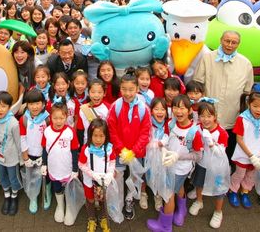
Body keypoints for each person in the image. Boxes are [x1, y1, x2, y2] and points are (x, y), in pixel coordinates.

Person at [193, 30, 254, 157]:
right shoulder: (208, 58)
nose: (230, 45)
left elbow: (247, 91)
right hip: (208, 116)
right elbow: (197, 84)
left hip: (231, 116)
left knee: (225, 153)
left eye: (234, 42)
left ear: (238, 44)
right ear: (221, 40)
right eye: (227, 41)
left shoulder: (245, 63)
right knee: (204, 152)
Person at [147, 95, 203, 229]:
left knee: (168, 196)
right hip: (169, 166)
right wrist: (164, 149)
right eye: (175, 108)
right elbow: (168, 139)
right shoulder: (171, 123)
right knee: (179, 187)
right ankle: (181, 210)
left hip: (181, 169)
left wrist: (178, 156)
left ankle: (165, 226)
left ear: (190, 110)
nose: (178, 111)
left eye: (182, 108)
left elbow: (198, 156)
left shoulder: (194, 132)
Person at [107, 73, 151, 221]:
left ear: (137, 89)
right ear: (120, 89)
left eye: (131, 89)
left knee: (134, 177)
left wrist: (134, 151)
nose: (127, 93)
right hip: (119, 151)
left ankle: (129, 199)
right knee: (118, 177)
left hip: (137, 153)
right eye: (124, 89)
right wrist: (121, 149)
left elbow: (145, 132)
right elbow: (112, 130)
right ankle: (117, 202)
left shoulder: (143, 108)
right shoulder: (116, 106)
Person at [227, 92, 260, 209]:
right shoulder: (242, 119)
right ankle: (232, 190)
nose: (258, 110)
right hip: (243, 155)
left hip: (258, 157)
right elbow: (239, 139)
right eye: (255, 106)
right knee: (240, 174)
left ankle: (245, 192)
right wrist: (251, 156)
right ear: (249, 104)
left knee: (251, 175)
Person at [188, 100, 229, 229]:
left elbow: (221, 153)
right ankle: (199, 201)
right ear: (198, 116)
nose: (206, 119)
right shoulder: (198, 128)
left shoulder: (221, 132)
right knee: (199, 184)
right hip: (202, 163)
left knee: (219, 189)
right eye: (202, 116)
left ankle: (218, 212)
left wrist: (211, 143)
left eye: (209, 116)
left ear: (215, 116)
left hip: (217, 167)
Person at [41, 102, 80, 226]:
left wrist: (75, 169)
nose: (58, 121)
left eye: (62, 118)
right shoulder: (47, 131)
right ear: (50, 117)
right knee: (57, 187)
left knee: (68, 189)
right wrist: (44, 164)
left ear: (66, 117)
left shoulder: (70, 131)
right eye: (55, 118)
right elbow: (44, 149)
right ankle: (60, 206)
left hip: (67, 168)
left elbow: (74, 151)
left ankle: (69, 208)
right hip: (53, 168)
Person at [0, 91, 22, 216]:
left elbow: (18, 142)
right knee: (2, 177)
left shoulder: (13, 123)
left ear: (9, 107)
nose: (0, 109)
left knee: (13, 178)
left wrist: (21, 158)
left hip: (12, 157)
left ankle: (14, 196)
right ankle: (7, 196)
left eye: (3, 106)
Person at [78, 119, 115, 232]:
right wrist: (93, 174)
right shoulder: (86, 149)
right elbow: (81, 164)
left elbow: (112, 161)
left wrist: (110, 173)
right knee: (90, 200)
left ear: (106, 136)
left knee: (103, 200)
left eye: (101, 136)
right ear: (90, 135)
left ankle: (103, 218)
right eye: (95, 136)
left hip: (104, 181)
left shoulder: (108, 148)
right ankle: (92, 219)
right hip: (89, 181)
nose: (98, 139)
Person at [19, 90, 50, 213]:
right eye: (31, 104)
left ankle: (47, 193)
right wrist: (25, 157)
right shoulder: (24, 119)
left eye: (37, 103)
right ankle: (33, 197)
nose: (35, 107)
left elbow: (49, 138)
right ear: (27, 105)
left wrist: (45, 156)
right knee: (31, 176)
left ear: (43, 104)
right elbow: (22, 138)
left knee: (45, 175)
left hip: (44, 154)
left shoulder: (47, 119)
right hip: (30, 154)